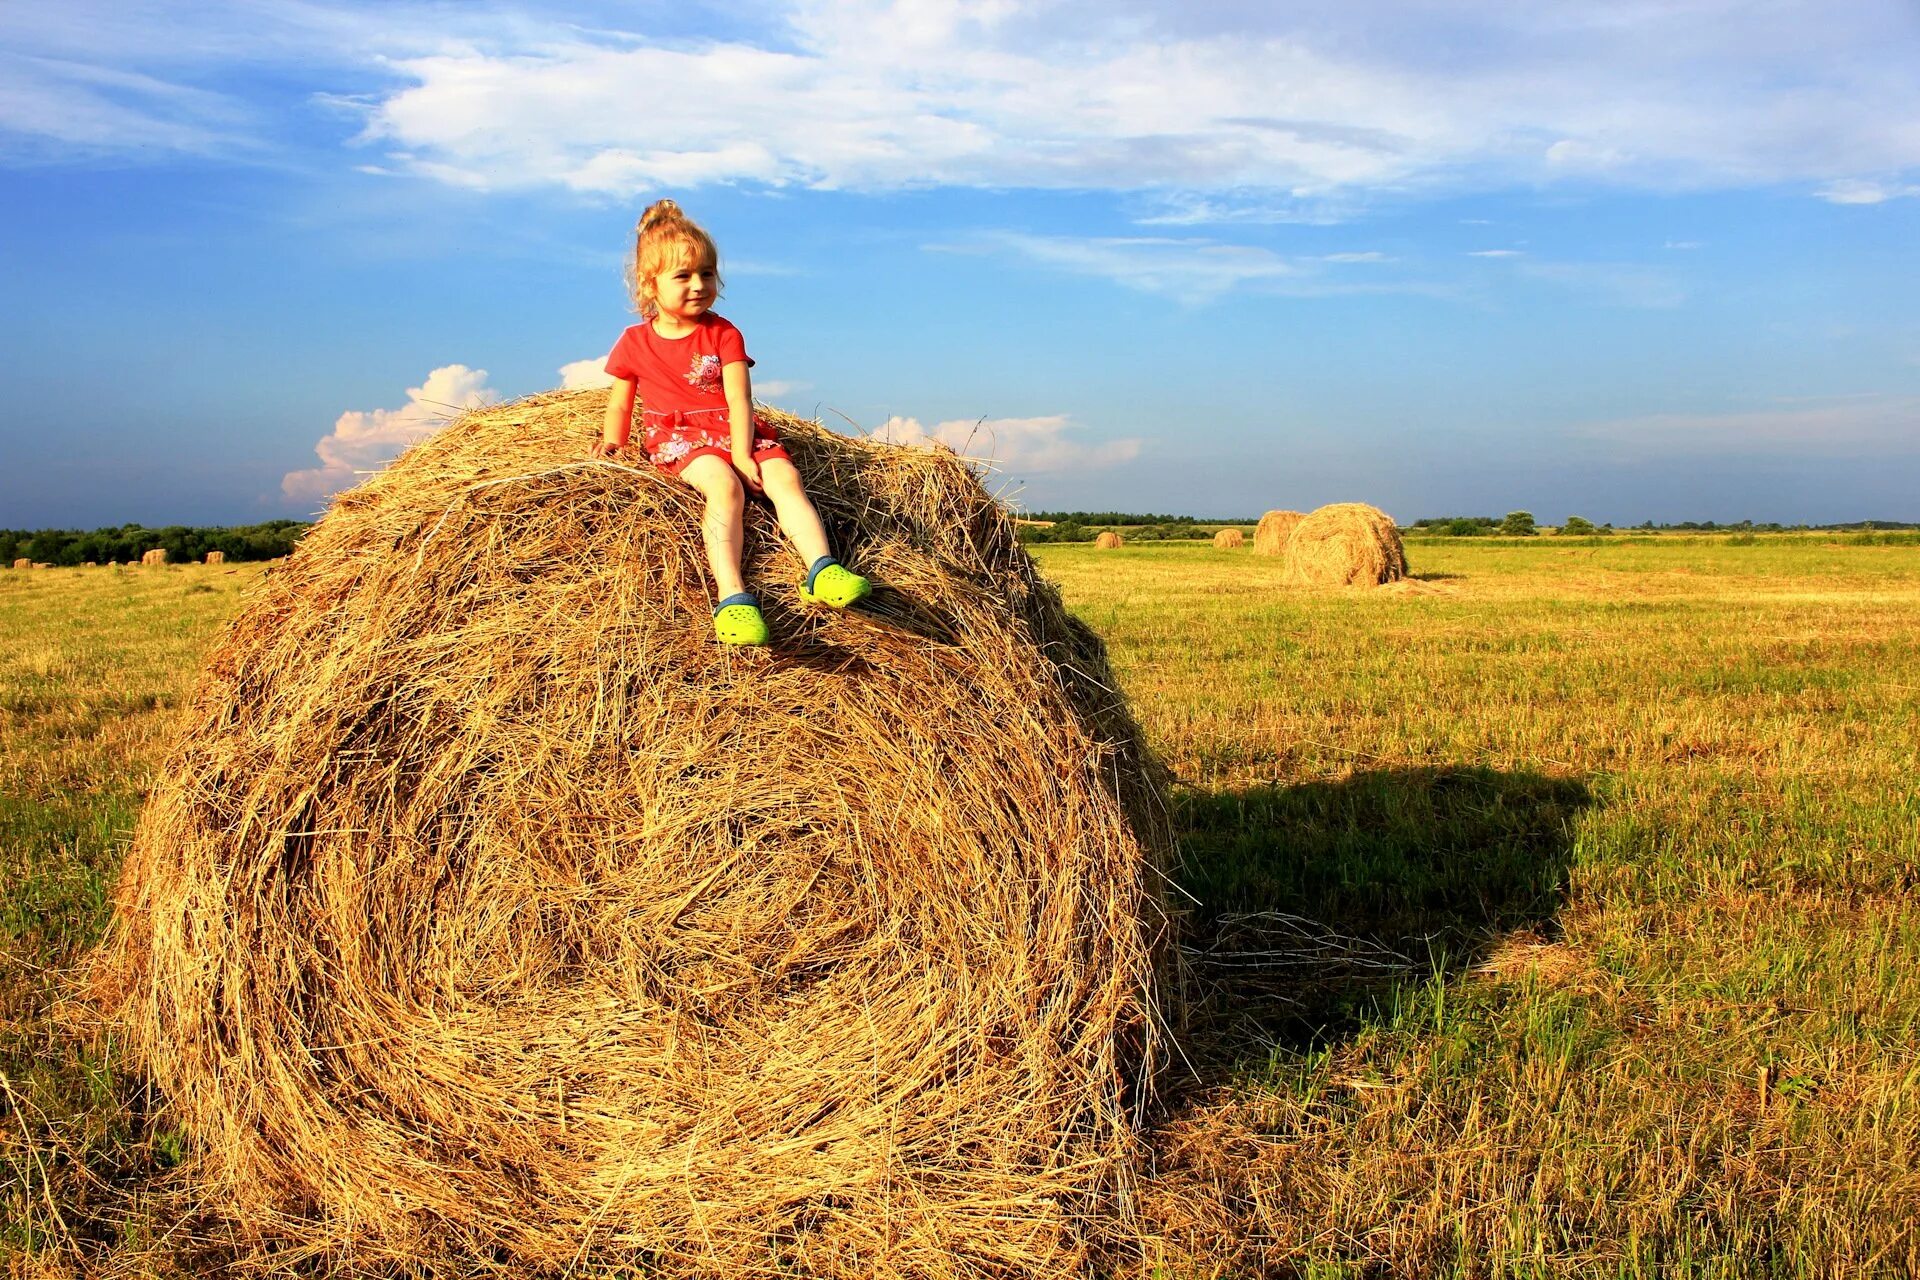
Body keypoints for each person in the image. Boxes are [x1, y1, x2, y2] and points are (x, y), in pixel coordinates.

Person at [593, 200, 869, 645]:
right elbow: (620, 402)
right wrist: (613, 441)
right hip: (679, 437)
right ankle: (732, 596)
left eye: (706, 273)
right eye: (682, 276)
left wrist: (744, 451)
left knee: (785, 476)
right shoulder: (634, 341)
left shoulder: (724, 333)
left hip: (732, 427)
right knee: (725, 488)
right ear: (649, 284)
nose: (698, 285)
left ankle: (822, 568)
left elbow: (740, 398)